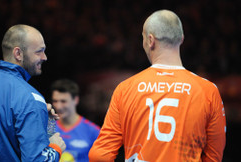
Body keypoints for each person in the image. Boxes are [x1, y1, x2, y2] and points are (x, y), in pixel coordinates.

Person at [89, 10, 226, 162]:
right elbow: (214, 157)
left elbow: (100, 155)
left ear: (150, 40)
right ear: (181, 39)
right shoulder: (208, 91)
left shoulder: (125, 89)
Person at [0, 24, 66, 162]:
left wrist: (48, 123)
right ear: (18, 53)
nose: (45, 57)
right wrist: (56, 148)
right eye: (39, 51)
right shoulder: (31, 98)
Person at [49, 79, 100, 162]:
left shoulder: (94, 132)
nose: (58, 106)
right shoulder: (48, 129)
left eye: (63, 101)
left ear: (75, 100)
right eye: (55, 101)